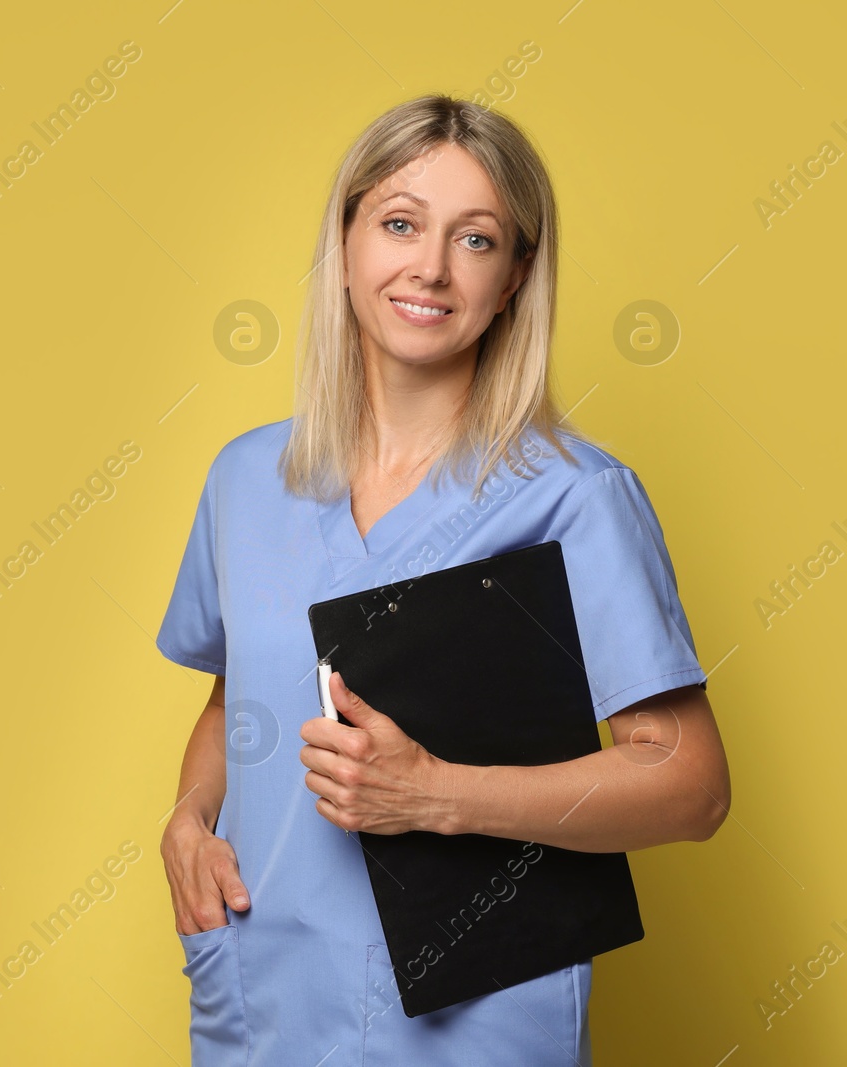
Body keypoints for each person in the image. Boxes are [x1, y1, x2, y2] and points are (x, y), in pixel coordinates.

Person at [154, 94, 732, 1067]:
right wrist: (185, 821)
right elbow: (235, 699)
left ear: (513, 280)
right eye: (398, 223)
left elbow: (689, 783)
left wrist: (438, 795)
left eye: (475, 238)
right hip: (265, 1001)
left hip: (479, 1020)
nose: (428, 266)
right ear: (343, 249)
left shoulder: (574, 497)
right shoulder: (246, 479)